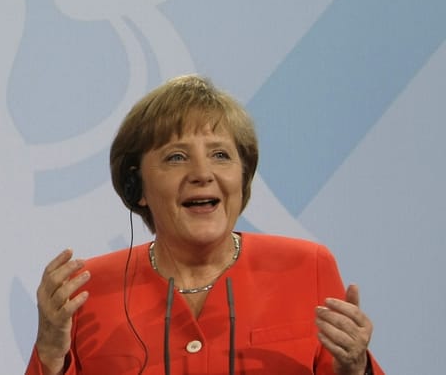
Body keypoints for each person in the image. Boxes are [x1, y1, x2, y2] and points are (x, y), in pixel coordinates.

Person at [28, 75, 383, 375]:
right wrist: (51, 352)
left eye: (220, 155)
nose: (202, 174)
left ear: (242, 178)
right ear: (137, 187)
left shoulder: (307, 268)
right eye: (176, 157)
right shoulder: (87, 292)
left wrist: (357, 369)